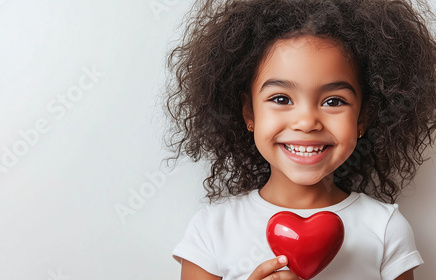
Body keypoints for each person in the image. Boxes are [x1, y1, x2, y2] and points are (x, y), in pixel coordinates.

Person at [163, 0, 436, 279]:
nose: (306, 122)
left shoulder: (385, 228)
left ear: (362, 117)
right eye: (281, 99)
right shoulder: (213, 229)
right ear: (249, 112)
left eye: (333, 101)